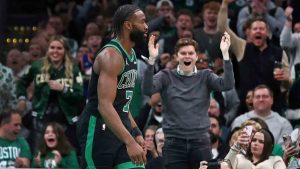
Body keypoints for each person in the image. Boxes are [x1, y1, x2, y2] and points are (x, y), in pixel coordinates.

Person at [143, 32, 234, 169]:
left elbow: (227, 85)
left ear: (196, 56)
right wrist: (151, 60)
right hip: (174, 144)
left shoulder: (206, 75)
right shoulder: (165, 76)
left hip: (200, 142)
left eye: (190, 53)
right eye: (183, 53)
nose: (187, 56)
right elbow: (147, 89)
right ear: (176, 56)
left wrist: (225, 54)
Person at [77, 4, 148, 168]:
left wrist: (136, 132)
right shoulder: (111, 56)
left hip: (120, 128)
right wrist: (130, 142)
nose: (146, 27)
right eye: (142, 22)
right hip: (98, 129)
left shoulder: (131, 54)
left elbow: (122, 103)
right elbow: (105, 106)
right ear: (128, 25)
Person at [218, 0, 291, 115]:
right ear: (250, 33)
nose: (258, 31)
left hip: (274, 108)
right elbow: (222, 29)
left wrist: (286, 79)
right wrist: (224, 5)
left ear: (268, 33)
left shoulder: (279, 53)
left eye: (261, 29)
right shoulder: (242, 47)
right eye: (255, 29)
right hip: (246, 109)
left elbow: (288, 82)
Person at [16, 35, 84, 153]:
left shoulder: (73, 69)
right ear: (48, 50)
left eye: (59, 48)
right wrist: (22, 99)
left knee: (68, 158)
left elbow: (79, 95)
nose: (55, 51)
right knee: (39, 157)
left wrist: (64, 89)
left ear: (65, 51)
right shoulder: (37, 66)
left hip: (66, 120)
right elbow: (21, 82)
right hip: (40, 119)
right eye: (52, 48)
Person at [200, 129, 286, 169]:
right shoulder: (239, 158)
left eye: (261, 142)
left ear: (269, 146)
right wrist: (237, 145)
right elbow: (225, 165)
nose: (256, 143)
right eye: (254, 140)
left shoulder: (276, 160)